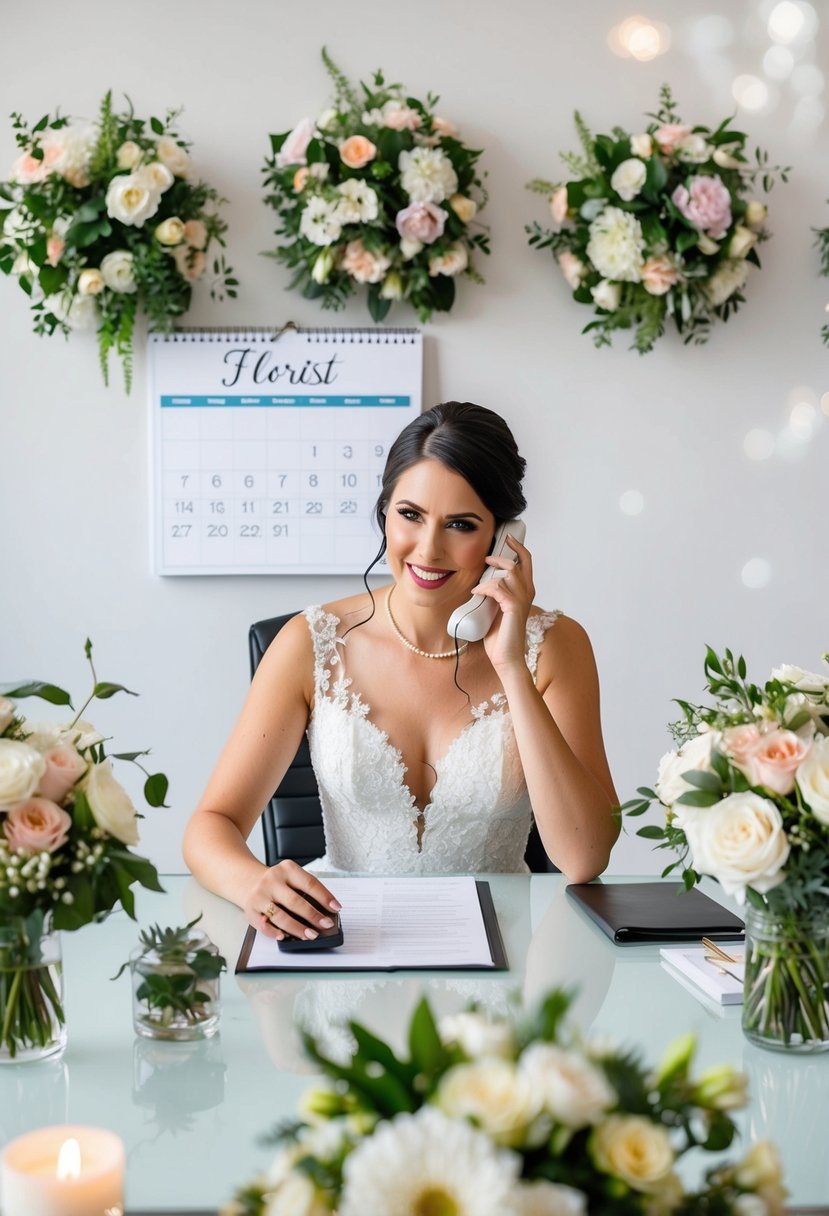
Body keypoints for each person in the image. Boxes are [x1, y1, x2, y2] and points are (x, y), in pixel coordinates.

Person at [183, 402, 619, 942]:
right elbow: (211, 826)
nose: (428, 549)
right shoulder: (310, 641)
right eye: (410, 515)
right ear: (384, 511)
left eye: (461, 525)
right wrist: (252, 884)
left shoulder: (555, 647)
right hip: (343, 942)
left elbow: (583, 859)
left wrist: (511, 667)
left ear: (505, 537)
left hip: (499, 963)